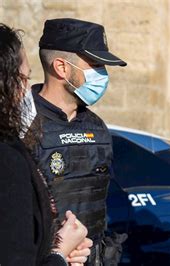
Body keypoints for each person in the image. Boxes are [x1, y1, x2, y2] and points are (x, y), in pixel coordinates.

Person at [25, 18, 127, 265]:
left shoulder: (97, 127)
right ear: (61, 67)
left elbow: (101, 198)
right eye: (95, 64)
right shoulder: (21, 121)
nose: (102, 74)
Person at [0, 23, 92, 266]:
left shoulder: (97, 127)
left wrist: (54, 245)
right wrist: (59, 254)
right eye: (23, 78)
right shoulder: (8, 160)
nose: (25, 89)